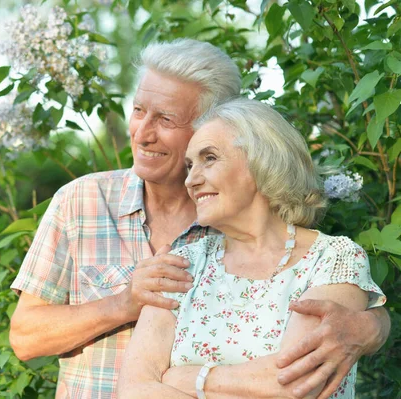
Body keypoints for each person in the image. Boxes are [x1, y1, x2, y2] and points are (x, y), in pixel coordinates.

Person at [9, 39, 390, 399]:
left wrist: (373, 324)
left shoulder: (234, 224)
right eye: (139, 110)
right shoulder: (81, 201)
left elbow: (294, 373)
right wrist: (124, 303)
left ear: (214, 125)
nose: (142, 134)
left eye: (166, 119)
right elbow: (26, 338)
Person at [116, 98, 386, 398]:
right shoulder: (180, 264)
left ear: (262, 162)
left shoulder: (332, 259)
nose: (191, 180)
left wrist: (190, 380)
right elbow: (134, 389)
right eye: (190, 166)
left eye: (209, 158)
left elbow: (293, 385)